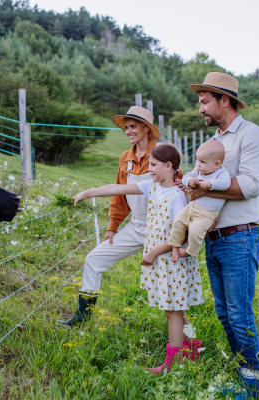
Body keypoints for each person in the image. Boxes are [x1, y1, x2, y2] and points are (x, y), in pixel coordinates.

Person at [180, 72, 259, 399]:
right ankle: (243, 372)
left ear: (225, 100)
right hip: (214, 238)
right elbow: (198, 177)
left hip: (241, 236)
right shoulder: (212, 142)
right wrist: (188, 182)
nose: (200, 109)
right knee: (224, 312)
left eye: (205, 102)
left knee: (238, 312)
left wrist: (205, 185)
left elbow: (251, 184)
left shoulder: (252, 135)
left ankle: (254, 380)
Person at [73, 144, 203, 375]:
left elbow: (181, 236)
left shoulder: (176, 197)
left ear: (169, 166)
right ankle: (191, 346)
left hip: (171, 261)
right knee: (176, 309)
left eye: (153, 165)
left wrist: (152, 252)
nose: (149, 169)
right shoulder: (151, 186)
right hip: (164, 263)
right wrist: (88, 193)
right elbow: (119, 187)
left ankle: (171, 363)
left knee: (173, 310)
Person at [58, 106, 183, 329]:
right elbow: (120, 191)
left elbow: (178, 189)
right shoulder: (125, 157)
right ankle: (82, 316)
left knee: (171, 298)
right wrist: (113, 227)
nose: (128, 131)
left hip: (162, 233)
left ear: (146, 128)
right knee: (94, 259)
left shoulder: (162, 154)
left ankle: (189, 339)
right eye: (126, 128)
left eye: (133, 127)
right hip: (135, 227)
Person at [168, 140, 230, 262]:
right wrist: (189, 181)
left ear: (217, 164)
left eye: (202, 162)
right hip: (192, 206)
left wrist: (209, 184)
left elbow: (226, 184)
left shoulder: (222, 173)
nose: (198, 165)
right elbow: (186, 176)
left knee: (195, 231)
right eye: (197, 160)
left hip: (207, 213)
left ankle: (190, 251)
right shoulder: (198, 170)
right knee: (177, 221)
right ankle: (175, 246)